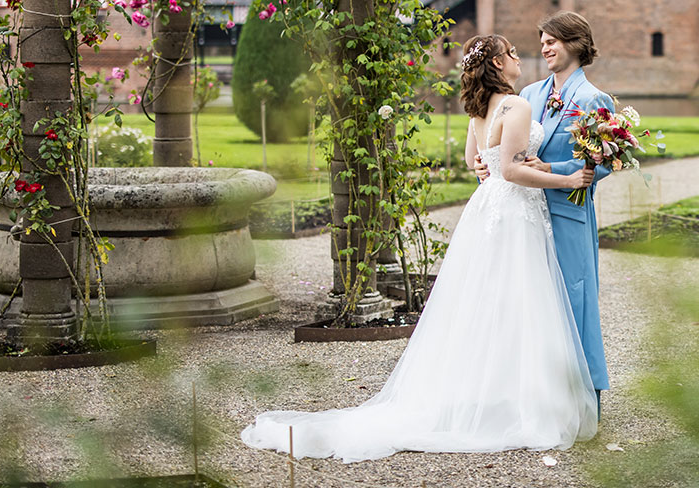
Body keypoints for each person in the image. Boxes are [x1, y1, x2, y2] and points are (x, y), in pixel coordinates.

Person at [241, 34, 598, 462]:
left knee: (486, 300)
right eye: (511, 53)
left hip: (487, 209)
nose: (518, 57)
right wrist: (567, 180)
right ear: (498, 65)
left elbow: (476, 163)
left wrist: (496, 169)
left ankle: (491, 392)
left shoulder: (479, 111)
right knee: (519, 298)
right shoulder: (516, 105)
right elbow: (515, 171)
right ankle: (519, 399)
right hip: (515, 211)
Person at [475, 10, 613, 401]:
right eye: (542, 42)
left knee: (574, 301)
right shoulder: (529, 94)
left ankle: (586, 396)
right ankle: (531, 396)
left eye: (552, 41)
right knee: (527, 304)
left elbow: (603, 162)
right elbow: (504, 144)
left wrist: (554, 168)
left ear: (576, 44)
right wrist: (483, 161)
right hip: (524, 215)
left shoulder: (593, 98)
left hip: (568, 215)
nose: (544, 48)